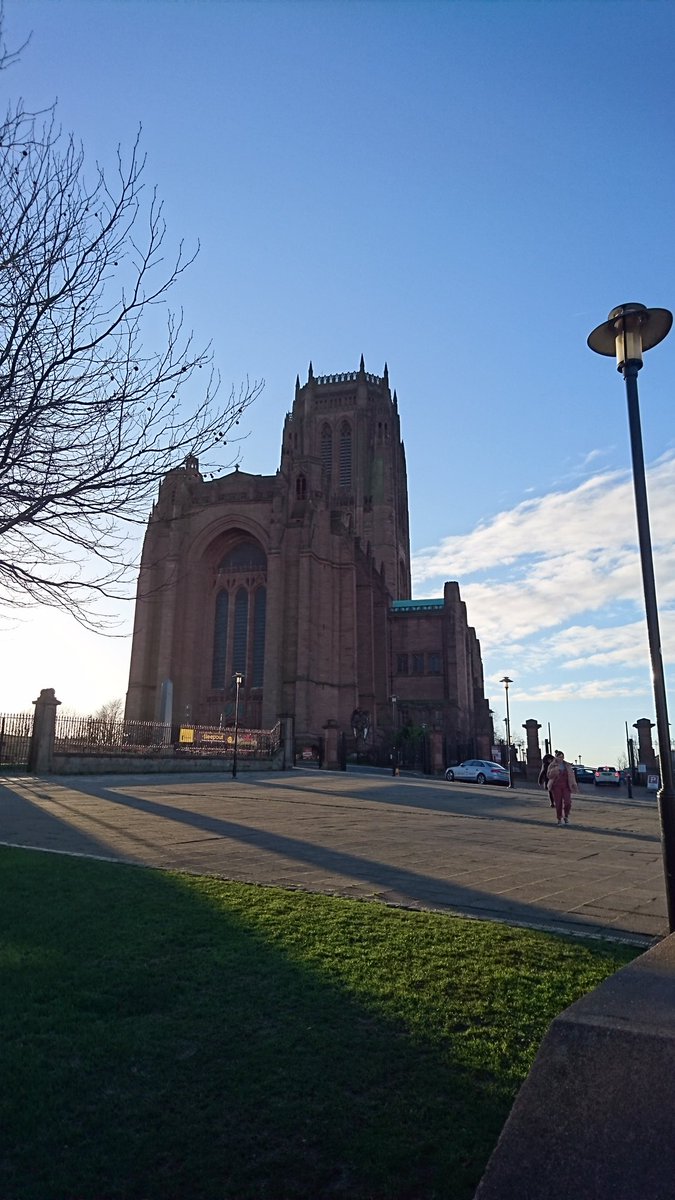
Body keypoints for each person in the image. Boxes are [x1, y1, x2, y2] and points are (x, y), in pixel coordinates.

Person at [546, 750, 578, 826]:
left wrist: (574, 784)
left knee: (568, 802)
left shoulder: (567, 765)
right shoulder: (552, 765)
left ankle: (566, 816)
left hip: (566, 786)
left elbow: (571, 776)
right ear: (556, 757)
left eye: (562, 756)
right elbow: (549, 775)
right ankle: (559, 818)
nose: (561, 758)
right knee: (558, 803)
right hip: (556, 786)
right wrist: (555, 770)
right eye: (559, 757)